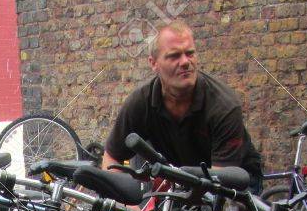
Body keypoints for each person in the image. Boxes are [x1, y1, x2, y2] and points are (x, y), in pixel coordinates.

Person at [103, 21, 264, 191]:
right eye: (174, 56)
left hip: (233, 182)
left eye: (190, 53)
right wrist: (128, 205)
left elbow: (218, 186)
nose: (185, 62)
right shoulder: (140, 102)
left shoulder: (223, 106)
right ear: (153, 63)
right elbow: (111, 158)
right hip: (183, 179)